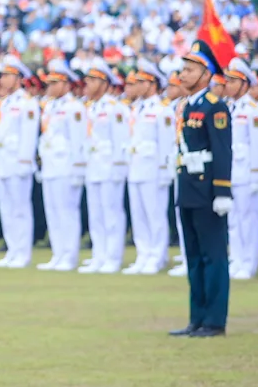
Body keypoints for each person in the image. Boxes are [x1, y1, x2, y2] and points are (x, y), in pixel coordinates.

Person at [169, 42, 233, 337]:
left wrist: (222, 191)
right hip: (188, 188)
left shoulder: (214, 107)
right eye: (183, 69)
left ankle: (214, 320)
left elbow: (222, 151)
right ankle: (197, 317)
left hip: (208, 191)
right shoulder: (186, 106)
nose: (183, 74)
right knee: (193, 257)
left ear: (206, 75)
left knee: (213, 256)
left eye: (190, 69)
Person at [123, 64, 176, 275]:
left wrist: (165, 171)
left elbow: (166, 143)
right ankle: (143, 254)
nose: (138, 86)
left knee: (155, 215)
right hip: (136, 167)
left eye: (142, 82)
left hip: (154, 169)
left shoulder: (161, 110)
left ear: (153, 84)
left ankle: (157, 255)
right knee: (139, 215)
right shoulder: (136, 108)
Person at [35, 65, 87, 271]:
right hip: (50, 165)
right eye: (49, 83)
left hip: (66, 167)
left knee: (67, 212)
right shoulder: (49, 106)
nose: (50, 86)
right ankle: (58, 253)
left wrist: (78, 168)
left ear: (66, 84)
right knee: (53, 211)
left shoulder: (74, 107)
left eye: (55, 83)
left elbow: (78, 141)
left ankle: (69, 255)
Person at [79, 64, 130, 274]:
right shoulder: (91, 107)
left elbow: (121, 140)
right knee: (96, 214)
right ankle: (98, 255)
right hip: (93, 166)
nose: (87, 85)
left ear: (103, 83)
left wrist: (119, 167)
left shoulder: (114, 108)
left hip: (109, 167)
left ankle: (113, 257)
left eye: (92, 80)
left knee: (112, 213)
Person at [0, 62, 40, 268]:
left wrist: (24, 161)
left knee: (20, 209)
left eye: (7, 75)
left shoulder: (27, 103)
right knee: (7, 209)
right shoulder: (6, 102)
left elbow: (28, 136)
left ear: (18, 78)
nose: (2, 79)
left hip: (18, 162)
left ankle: (22, 253)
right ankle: (12, 250)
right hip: (3, 161)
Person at [225, 59, 258, 280]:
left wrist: (257, 177)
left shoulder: (253, 111)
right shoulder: (230, 108)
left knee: (248, 219)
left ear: (244, 84)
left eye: (233, 81)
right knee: (234, 220)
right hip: (231, 173)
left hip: (248, 173)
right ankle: (238, 259)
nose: (228, 85)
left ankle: (249, 262)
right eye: (228, 80)